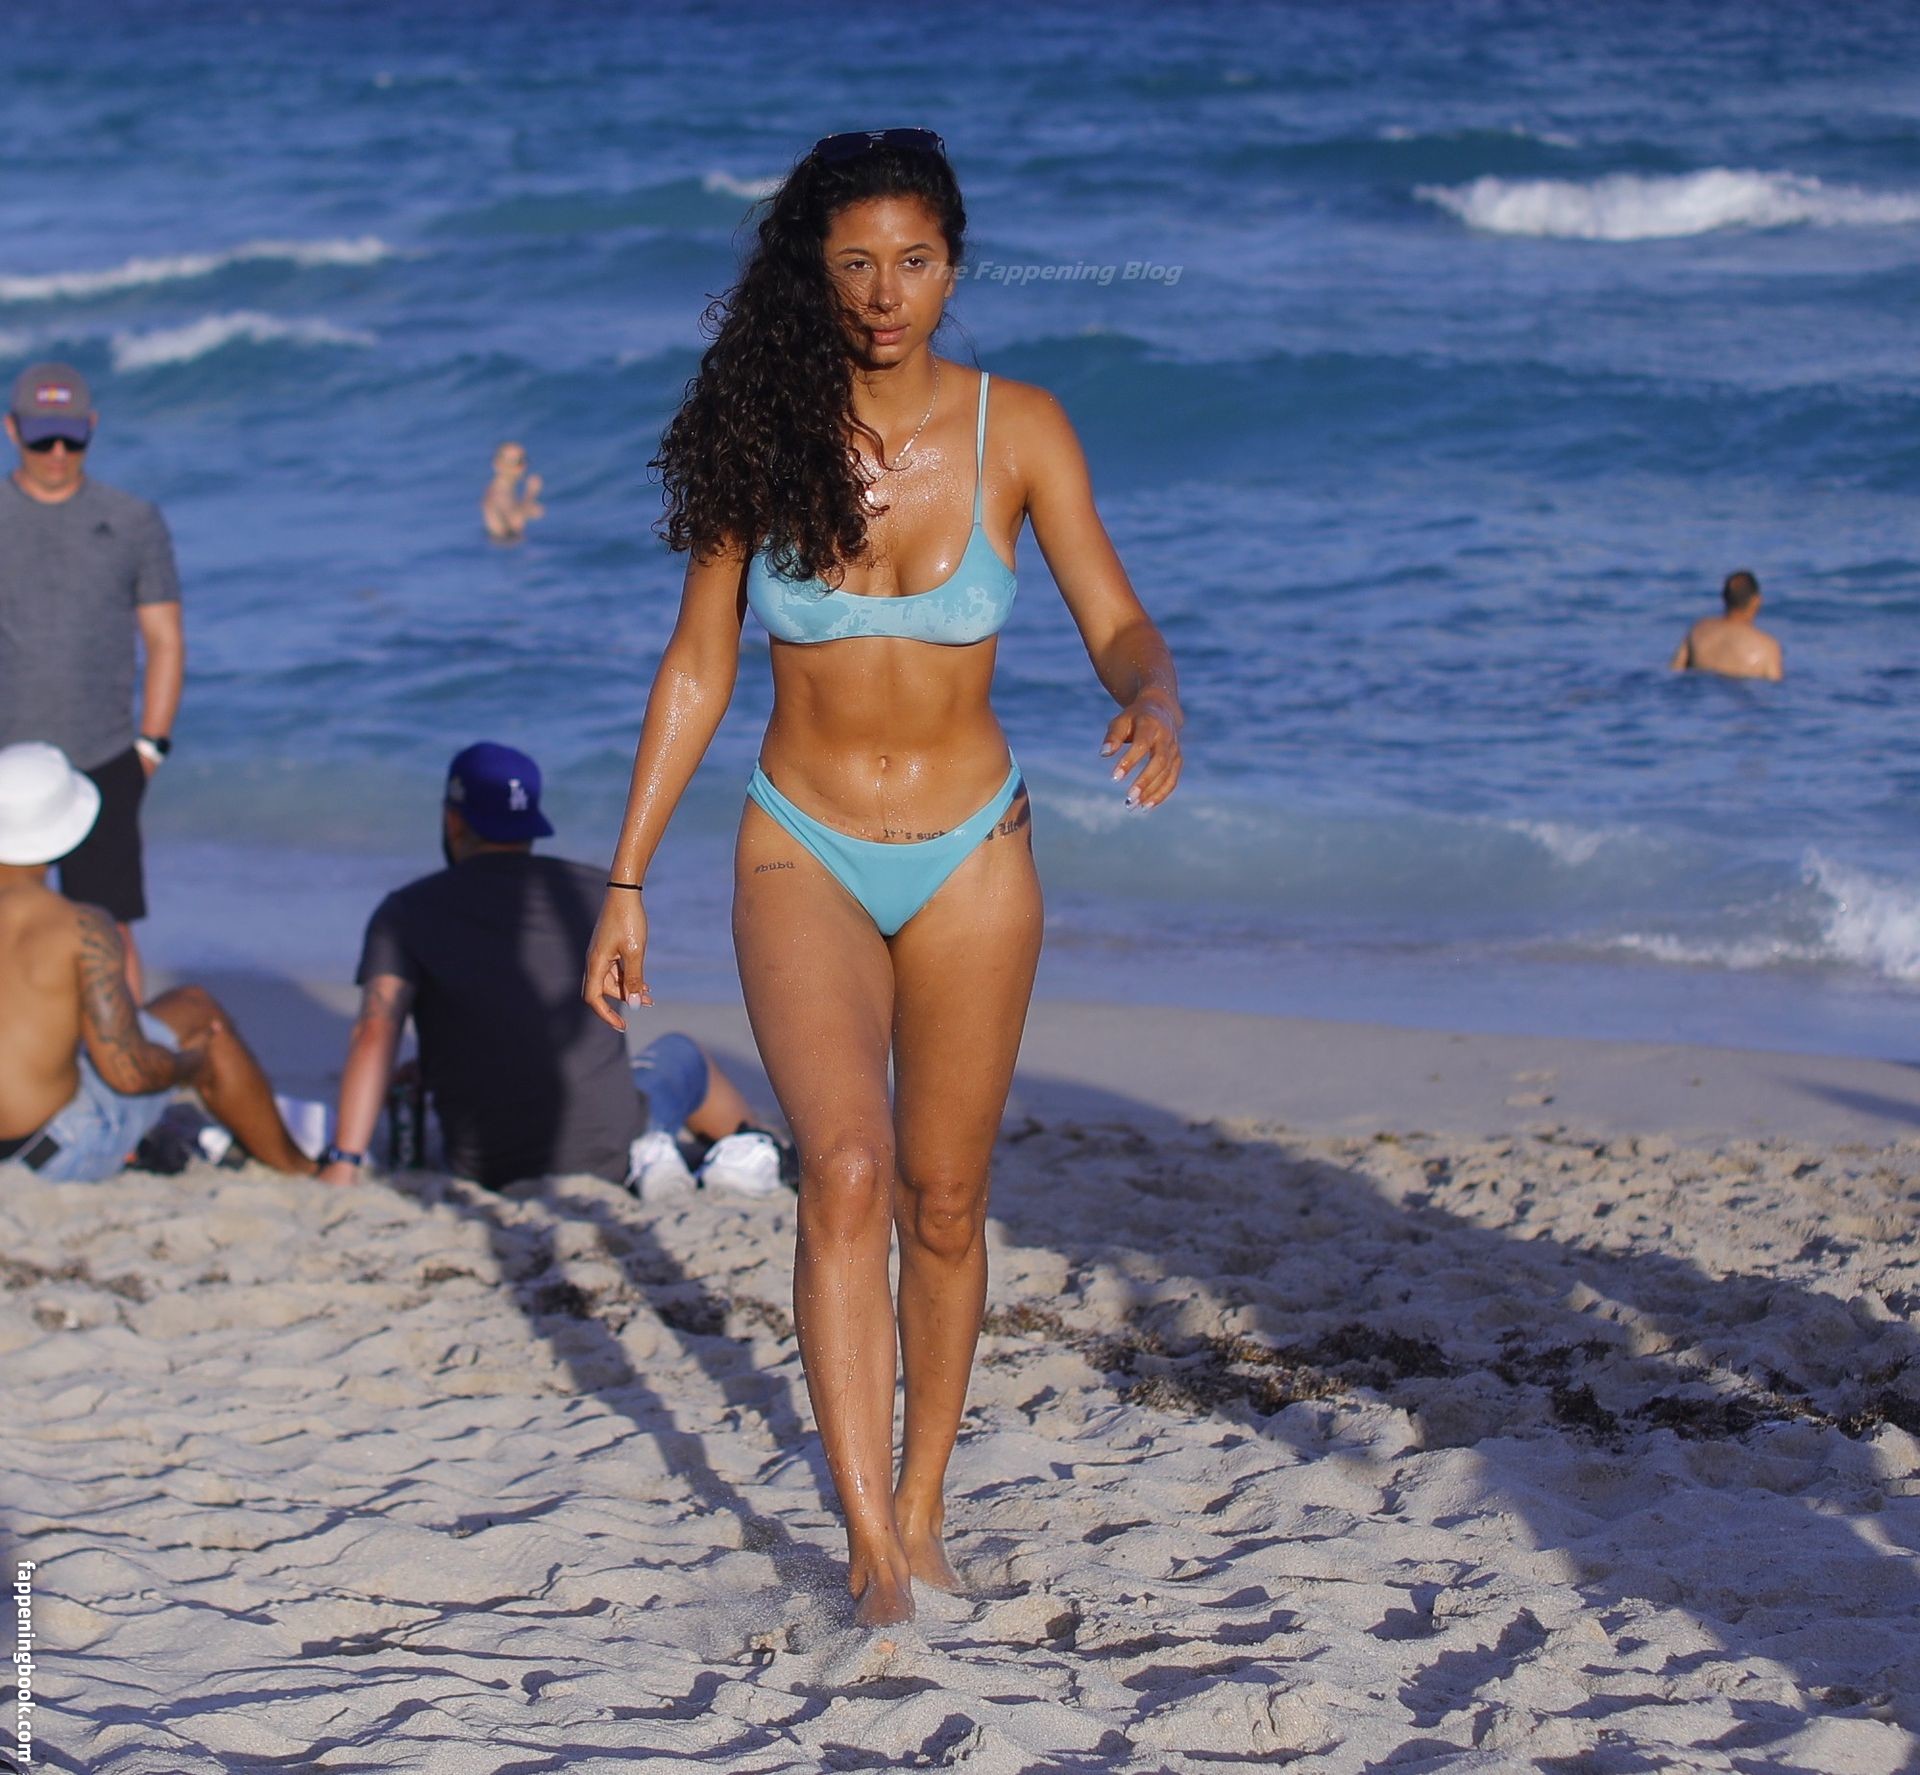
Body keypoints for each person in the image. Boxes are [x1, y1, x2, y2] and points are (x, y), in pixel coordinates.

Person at [582, 129, 1184, 1627]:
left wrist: (1153, 696)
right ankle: (868, 1549)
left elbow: (1116, 616)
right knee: (843, 1168)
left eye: (912, 261)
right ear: (816, 271)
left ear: (952, 266)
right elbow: (698, 665)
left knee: (947, 1196)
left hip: (977, 850)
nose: (882, 292)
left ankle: (923, 1506)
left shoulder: (1017, 427)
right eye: (853, 262)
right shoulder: (762, 431)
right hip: (803, 840)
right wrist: (627, 874)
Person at [319, 742, 787, 1194]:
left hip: (482, 1163)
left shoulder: (406, 912)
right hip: (609, 1151)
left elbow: (375, 1029)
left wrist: (344, 1160)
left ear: (454, 819)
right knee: (681, 1055)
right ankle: (758, 1153)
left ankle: (724, 1153)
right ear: (530, 822)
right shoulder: (593, 894)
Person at [0, 743, 317, 1183]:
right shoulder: (80, 927)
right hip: (47, 1157)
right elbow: (129, 1072)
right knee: (197, 1011)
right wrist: (189, 1064)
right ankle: (300, 1169)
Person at [0, 363, 185, 998]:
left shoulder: (134, 521)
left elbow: (164, 639)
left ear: (92, 428)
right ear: (12, 429)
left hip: (103, 757)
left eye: (72, 437)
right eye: (42, 437)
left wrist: (151, 746)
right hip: (5, 765)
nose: (57, 452)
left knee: (109, 928)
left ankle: (124, 1060)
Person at [1670, 569, 1783, 681]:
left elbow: (1674, 671)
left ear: (1724, 598)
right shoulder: (1767, 648)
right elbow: (1774, 686)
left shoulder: (1698, 630)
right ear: (1756, 601)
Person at [482, 441, 545, 542]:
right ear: (498, 464)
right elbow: (516, 522)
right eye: (518, 462)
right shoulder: (500, 492)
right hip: (507, 544)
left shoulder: (504, 489)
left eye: (524, 460)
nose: (524, 466)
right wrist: (531, 493)